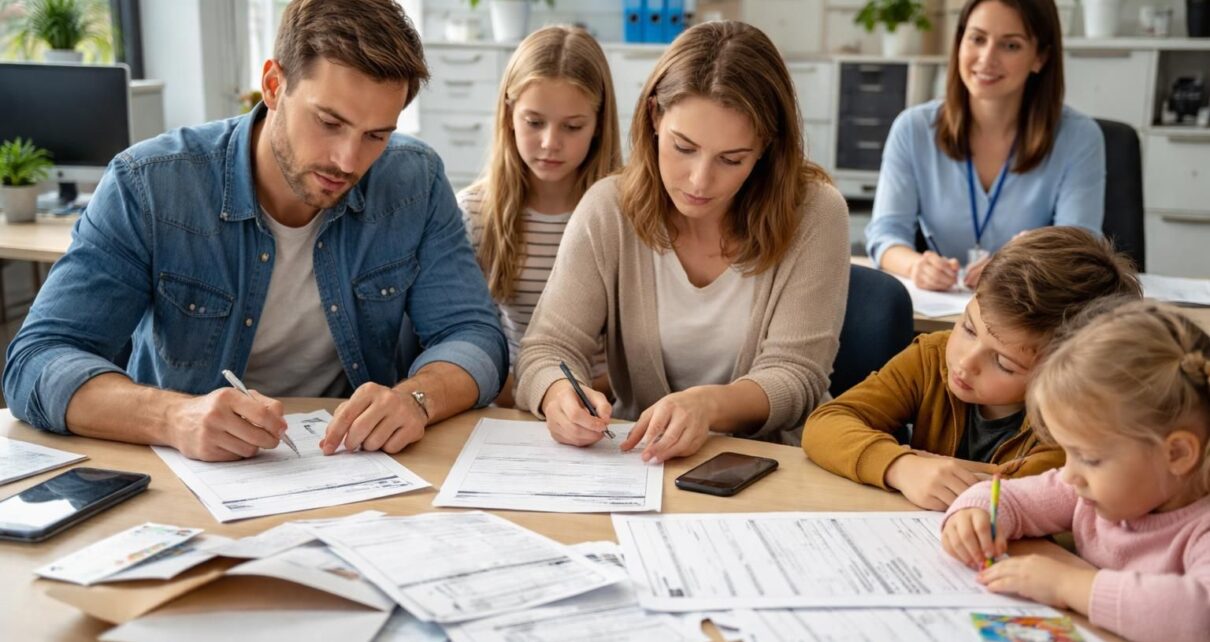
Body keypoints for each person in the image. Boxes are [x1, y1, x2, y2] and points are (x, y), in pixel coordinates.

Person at [2, 0, 507, 462]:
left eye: (376, 135)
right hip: (187, 473)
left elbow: (474, 335)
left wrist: (416, 398)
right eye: (329, 122)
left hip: (350, 468)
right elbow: (35, 360)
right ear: (273, 85)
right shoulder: (151, 184)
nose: (349, 160)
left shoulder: (413, 180)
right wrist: (175, 417)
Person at [514, 21, 850, 463]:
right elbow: (547, 348)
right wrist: (558, 395)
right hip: (638, 467)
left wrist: (708, 406)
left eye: (731, 159)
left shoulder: (816, 213)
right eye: (683, 147)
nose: (699, 180)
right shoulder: (608, 208)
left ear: (766, 145)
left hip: (773, 468)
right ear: (655, 116)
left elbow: (797, 376)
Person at [803, 227, 1141, 510]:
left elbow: (1041, 492)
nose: (965, 362)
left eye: (1004, 363)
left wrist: (937, 469)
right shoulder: (933, 357)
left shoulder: (1072, 418)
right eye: (967, 328)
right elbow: (826, 423)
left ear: (1066, 375)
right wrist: (901, 466)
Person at [941, 301, 1210, 642]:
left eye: (1089, 458)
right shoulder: (1086, 488)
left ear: (1177, 453)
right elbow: (1013, 498)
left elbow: (1199, 616)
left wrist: (1066, 585)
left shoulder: (1202, 529)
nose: (1068, 475)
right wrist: (974, 514)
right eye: (1067, 452)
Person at [865, 0, 1105, 292]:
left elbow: (1079, 248)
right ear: (959, 43)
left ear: (1040, 57)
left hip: (1031, 317)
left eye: (1011, 46)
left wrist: (1019, 261)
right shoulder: (913, 129)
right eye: (977, 39)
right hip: (938, 312)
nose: (986, 58)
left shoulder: (1079, 137)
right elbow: (885, 235)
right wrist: (916, 266)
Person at [459, 25, 620, 407]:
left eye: (572, 126)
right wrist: (534, 397)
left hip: (606, 409)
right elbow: (469, 335)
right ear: (509, 115)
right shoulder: (476, 213)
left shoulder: (624, 213)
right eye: (534, 123)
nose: (550, 142)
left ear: (598, 125)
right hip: (508, 407)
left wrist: (582, 398)